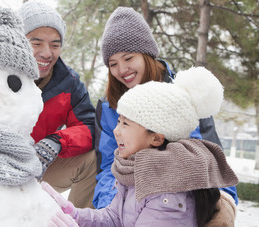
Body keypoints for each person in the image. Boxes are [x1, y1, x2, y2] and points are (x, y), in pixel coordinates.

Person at [42, 66, 239, 227]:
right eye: (118, 122)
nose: (116, 131)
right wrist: (73, 214)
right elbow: (113, 218)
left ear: (156, 138)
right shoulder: (134, 170)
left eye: (125, 124)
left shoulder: (168, 190)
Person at [94, 6, 238, 209]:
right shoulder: (108, 106)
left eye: (128, 58)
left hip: (182, 200)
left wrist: (222, 206)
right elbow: (107, 166)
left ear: (146, 54)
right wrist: (111, 210)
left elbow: (211, 160)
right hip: (130, 200)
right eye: (113, 64)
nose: (122, 70)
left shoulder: (184, 94)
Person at [17, 1, 96, 208]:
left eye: (55, 44)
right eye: (37, 43)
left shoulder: (68, 83)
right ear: (18, 40)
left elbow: (89, 125)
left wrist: (57, 141)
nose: (47, 53)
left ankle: (78, 220)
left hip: (39, 167)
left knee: (93, 159)